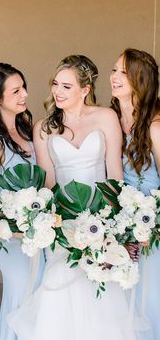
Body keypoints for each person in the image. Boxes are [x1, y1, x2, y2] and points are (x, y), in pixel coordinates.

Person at [7, 54, 149, 340]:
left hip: (102, 224)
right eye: (55, 84)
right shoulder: (44, 129)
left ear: (85, 90)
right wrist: (58, 227)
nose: (57, 92)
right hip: (64, 227)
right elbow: (47, 186)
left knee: (102, 297)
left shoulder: (105, 118)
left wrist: (110, 227)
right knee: (61, 295)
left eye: (67, 86)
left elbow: (115, 176)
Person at [0, 61, 45, 340]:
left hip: (39, 233)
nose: (24, 94)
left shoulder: (26, 128)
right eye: (15, 91)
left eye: (23, 87)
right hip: (12, 239)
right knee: (20, 294)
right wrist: (8, 225)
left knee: (40, 294)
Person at [110, 48, 160, 340]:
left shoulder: (155, 127)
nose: (114, 77)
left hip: (151, 235)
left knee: (148, 301)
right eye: (114, 70)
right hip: (119, 231)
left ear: (140, 80)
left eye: (123, 72)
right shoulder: (111, 119)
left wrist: (149, 226)